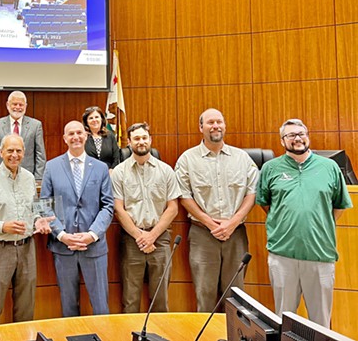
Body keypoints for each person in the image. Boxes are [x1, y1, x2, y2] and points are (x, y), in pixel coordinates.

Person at [256, 118, 352, 328]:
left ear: (307, 136)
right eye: (291, 135)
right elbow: (265, 204)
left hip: (320, 255)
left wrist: (318, 223)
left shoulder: (330, 167)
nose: (298, 138)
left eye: (301, 134)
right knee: (283, 321)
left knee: (320, 323)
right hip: (282, 255)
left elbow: (339, 206)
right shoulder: (270, 169)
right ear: (283, 141)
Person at [174, 108, 258, 312]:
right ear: (201, 127)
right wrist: (210, 223)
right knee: (205, 294)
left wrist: (232, 222)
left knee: (236, 295)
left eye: (219, 122)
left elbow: (252, 193)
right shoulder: (187, 159)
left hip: (235, 234)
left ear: (225, 125)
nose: (215, 126)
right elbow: (184, 196)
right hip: (203, 234)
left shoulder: (242, 158)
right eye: (210, 122)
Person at [0, 134, 53, 325]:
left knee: (26, 308)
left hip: (27, 248)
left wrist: (39, 220)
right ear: (1, 152)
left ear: (24, 153)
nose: (14, 155)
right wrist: (2, 226)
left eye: (18, 151)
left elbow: (35, 209)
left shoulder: (30, 178)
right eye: (10, 150)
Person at [40, 120, 114, 317]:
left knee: (101, 307)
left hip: (94, 247)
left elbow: (108, 206)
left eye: (79, 133)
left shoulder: (100, 168)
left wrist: (92, 234)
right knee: (68, 307)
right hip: (63, 247)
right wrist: (62, 235)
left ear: (86, 135)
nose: (76, 137)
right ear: (65, 138)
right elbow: (45, 206)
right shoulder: (52, 167)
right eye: (71, 134)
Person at [111, 122, 181, 313]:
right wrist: (140, 236)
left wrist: (152, 236)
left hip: (160, 239)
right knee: (130, 299)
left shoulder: (166, 171)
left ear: (150, 140)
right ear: (129, 143)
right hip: (131, 240)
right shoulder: (119, 172)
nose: (141, 142)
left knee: (160, 299)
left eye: (144, 138)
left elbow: (173, 208)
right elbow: (118, 209)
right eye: (136, 138)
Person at [0, 90, 46, 180]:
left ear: (25, 106)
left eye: (21, 105)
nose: (17, 107)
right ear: (8, 105)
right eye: (14, 104)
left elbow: (40, 156)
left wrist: (38, 180)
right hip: (1, 178)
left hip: (27, 178)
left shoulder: (36, 125)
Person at [82, 106, 120, 171]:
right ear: (86, 122)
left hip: (109, 174)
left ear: (102, 119)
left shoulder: (110, 135)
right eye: (91, 118)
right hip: (89, 173)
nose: (94, 120)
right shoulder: (83, 137)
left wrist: (112, 170)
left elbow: (116, 157)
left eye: (97, 117)